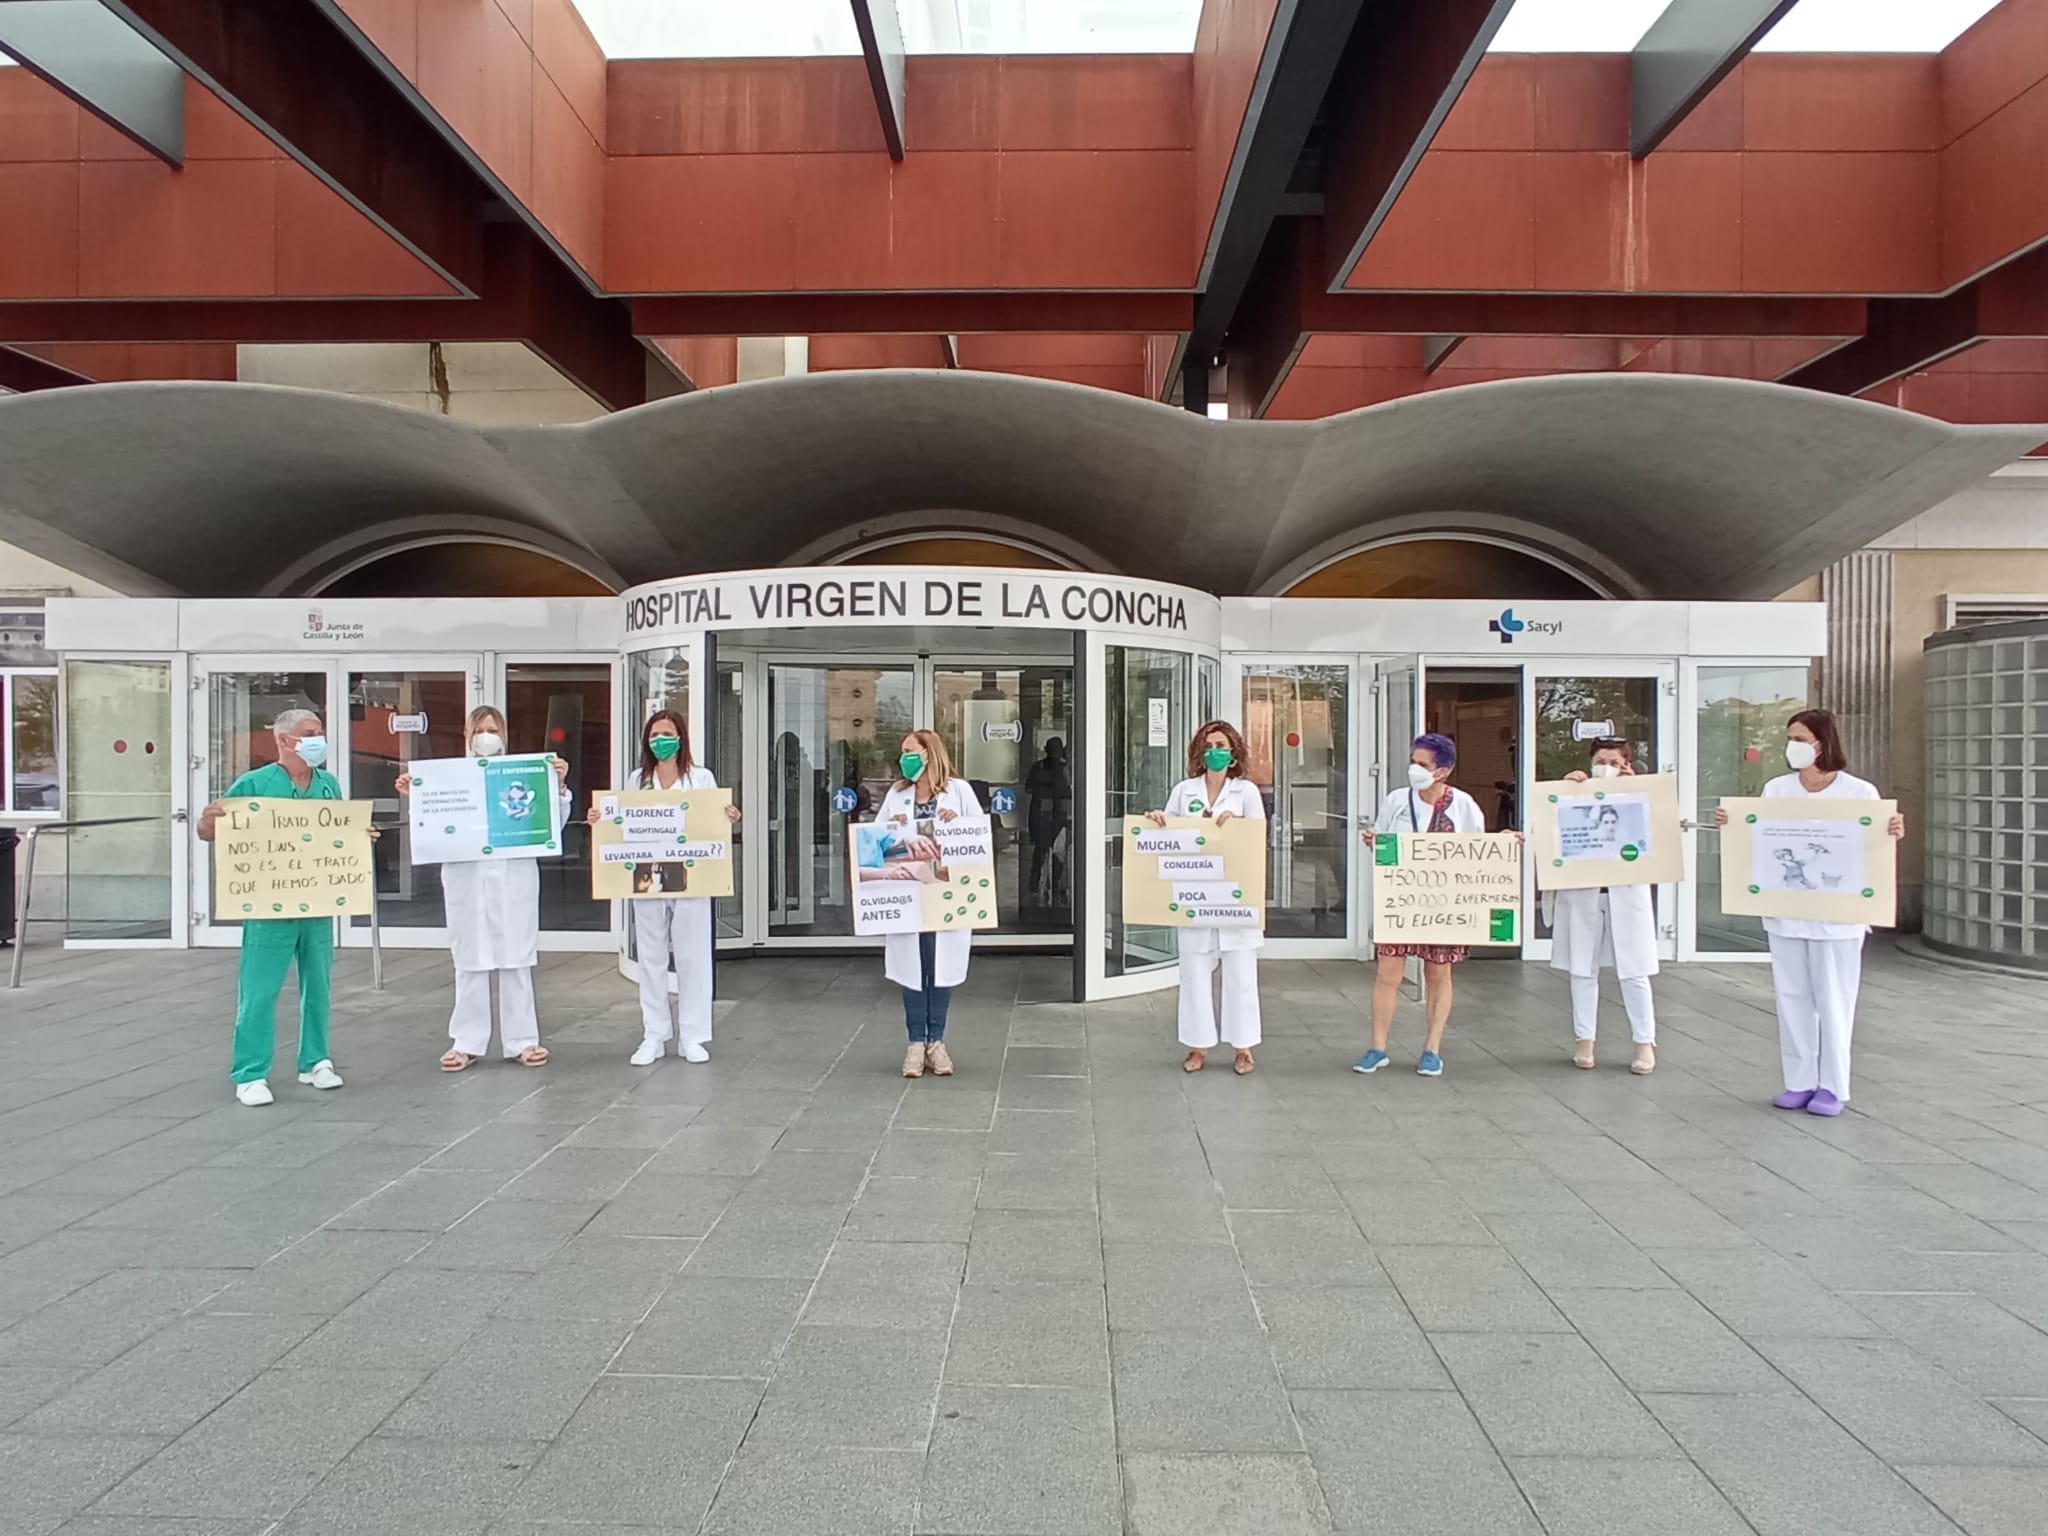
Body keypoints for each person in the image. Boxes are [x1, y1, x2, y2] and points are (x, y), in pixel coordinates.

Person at [1714, 708, 1905, 1117]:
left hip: (1838, 916)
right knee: (1792, 997)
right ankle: (1799, 1081)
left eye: (1800, 738)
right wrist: (1731, 824)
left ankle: (1833, 1087)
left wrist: (1891, 832)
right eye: (1791, 738)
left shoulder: (1859, 792)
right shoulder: (1777, 789)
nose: (1793, 746)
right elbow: (1759, 836)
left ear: (1823, 742)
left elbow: (1873, 844)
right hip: (1786, 911)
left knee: (1834, 1001)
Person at [397, 706, 569, 1071]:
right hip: (466, 879)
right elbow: (433, 826)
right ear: (468, 734)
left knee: (516, 960)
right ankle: (466, 1042)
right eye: (480, 729)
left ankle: (523, 1040)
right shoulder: (451, 777)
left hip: (514, 878)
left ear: (504, 734)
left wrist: (559, 785)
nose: (487, 735)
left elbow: (553, 823)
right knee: (470, 960)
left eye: (493, 729)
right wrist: (418, 794)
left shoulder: (525, 774)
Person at [197, 707, 347, 1107]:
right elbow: (209, 831)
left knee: (319, 985)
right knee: (259, 990)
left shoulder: (328, 784)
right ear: (283, 740)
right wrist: (209, 820)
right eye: (309, 733)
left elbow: (339, 832)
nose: (318, 739)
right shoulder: (255, 784)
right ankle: (250, 1072)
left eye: (320, 732)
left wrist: (357, 835)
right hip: (268, 904)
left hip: (316, 900)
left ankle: (314, 1060)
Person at [589, 711, 741, 1066]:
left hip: (692, 877)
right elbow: (621, 821)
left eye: (667, 733)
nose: (660, 740)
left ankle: (693, 1036)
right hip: (647, 878)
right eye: (654, 734)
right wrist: (600, 818)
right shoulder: (637, 779)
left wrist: (730, 815)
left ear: (681, 737)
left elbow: (711, 819)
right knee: (652, 957)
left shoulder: (701, 778)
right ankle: (654, 1035)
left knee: (693, 957)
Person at [1356, 733, 1488, 1078]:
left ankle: (1432, 1049)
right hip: (1401, 902)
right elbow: (1382, 844)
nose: (1415, 769)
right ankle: (1378, 1047)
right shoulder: (1398, 801)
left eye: (1423, 764)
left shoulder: (1463, 806)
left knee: (1438, 973)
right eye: (1413, 761)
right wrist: (1373, 840)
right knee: (1388, 973)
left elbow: (1480, 853)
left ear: (1443, 770)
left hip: (1444, 904)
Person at [1147, 720, 1265, 1075]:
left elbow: (1258, 838)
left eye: (1222, 745)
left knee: (1241, 975)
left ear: (1233, 754)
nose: (1215, 750)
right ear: (1201, 751)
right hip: (1196, 894)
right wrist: (1157, 819)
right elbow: (1167, 826)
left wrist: (1237, 824)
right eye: (1209, 744)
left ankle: (1243, 1048)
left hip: (1234, 898)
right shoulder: (1185, 790)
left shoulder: (1245, 792)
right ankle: (1197, 1046)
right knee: (1194, 973)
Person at [873, 729, 982, 1079]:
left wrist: (959, 823)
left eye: (909, 751)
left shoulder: (959, 791)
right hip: (908, 892)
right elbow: (875, 840)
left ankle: (937, 1042)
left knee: (940, 966)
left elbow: (979, 837)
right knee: (912, 969)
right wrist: (894, 827)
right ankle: (915, 1043)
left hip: (945, 894)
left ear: (929, 753)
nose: (903, 757)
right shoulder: (897, 793)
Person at [1548, 737, 1657, 1075]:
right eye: (1600, 760)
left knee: (1635, 971)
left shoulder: (1642, 796)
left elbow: (1662, 832)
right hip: (1585, 893)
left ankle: (1644, 1042)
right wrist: (1565, 791)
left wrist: (1637, 789)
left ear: (1627, 765)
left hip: (1627, 892)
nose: (1605, 767)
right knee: (1583, 968)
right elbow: (1551, 832)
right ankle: (1585, 1040)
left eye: (1614, 762)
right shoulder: (1575, 795)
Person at [1025, 737, 1071, 895]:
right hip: (1057, 815)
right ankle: (1056, 886)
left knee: (1042, 851)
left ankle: (1036, 885)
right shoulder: (1064, 769)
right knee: (1057, 852)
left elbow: (1028, 788)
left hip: (1042, 815)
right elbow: (1068, 792)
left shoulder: (1039, 767)